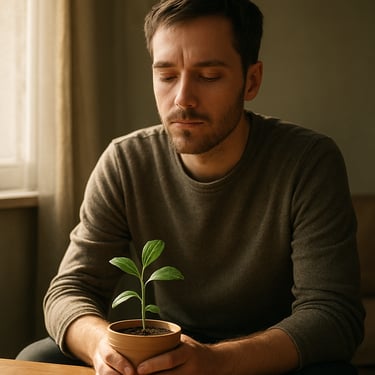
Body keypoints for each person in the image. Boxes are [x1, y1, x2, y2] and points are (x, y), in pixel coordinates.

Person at [17, 0, 364, 374]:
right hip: (167, 347)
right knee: (35, 360)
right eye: (166, 76)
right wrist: (103, 348)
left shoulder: (308, 161)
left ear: (251, 80)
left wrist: (215, 361)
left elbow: (333, 315)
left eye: (209, 76)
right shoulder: (126, 161)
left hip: (269, 356)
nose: (182, 98)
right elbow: (69, 290)